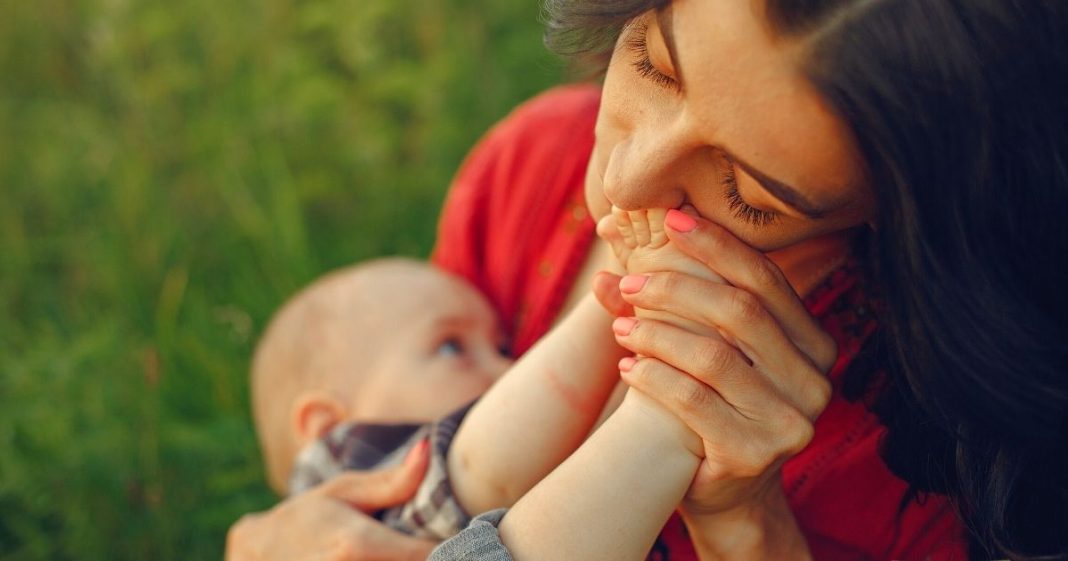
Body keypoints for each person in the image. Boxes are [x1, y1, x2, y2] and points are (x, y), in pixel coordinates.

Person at [228, 0, 1068, 559]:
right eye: (653, 65)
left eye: (751, 193)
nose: (624, 181)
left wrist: (748, 521)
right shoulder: (528, 169)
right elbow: (415, 448)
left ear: (902, 214)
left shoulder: (934, 470)